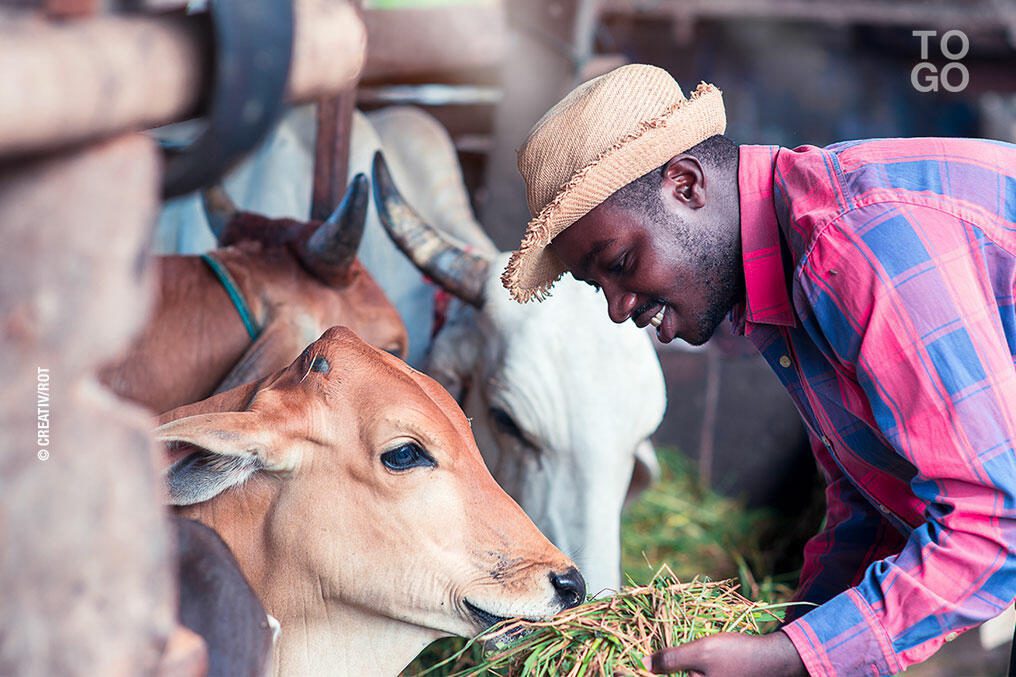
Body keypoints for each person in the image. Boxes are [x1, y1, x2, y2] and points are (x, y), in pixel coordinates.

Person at [501, 64, 1015, 676]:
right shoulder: (782, 283)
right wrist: (791, 636)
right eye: (598, 287)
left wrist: (790, 659)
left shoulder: (853, 243)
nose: (619, 308)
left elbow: (997, 520)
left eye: (621, 263)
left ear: (686, 186)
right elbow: (872, 501)